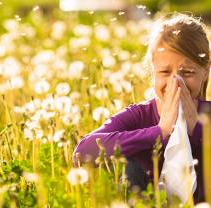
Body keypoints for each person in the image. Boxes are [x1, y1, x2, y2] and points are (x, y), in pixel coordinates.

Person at [72, 13, 211, 203]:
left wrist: (197, 127)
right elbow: (82, 151)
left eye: (187, 72)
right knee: (124, 163)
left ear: (205, 72)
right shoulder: (139, 115)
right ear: (153, 70)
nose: (176, 83)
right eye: (164, 72)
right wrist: (159, 132)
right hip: (144, 202)